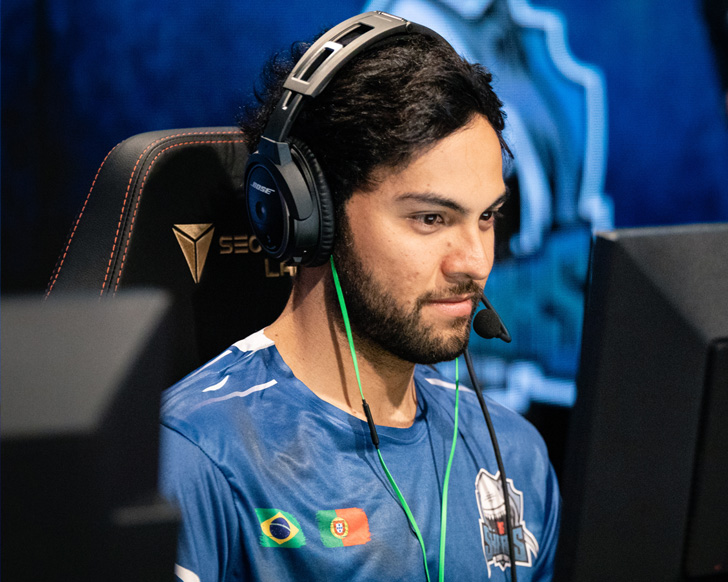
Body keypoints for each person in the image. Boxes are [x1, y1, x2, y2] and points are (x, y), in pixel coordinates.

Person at [160, 12, 560, 582]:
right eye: (431, 218)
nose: (474, 262)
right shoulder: (197, 459)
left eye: (487, 217)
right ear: (311, 217)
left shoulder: (515, 457)